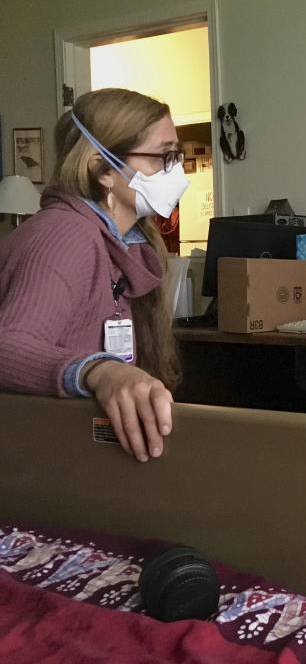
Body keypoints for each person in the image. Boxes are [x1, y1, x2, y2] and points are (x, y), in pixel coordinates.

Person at [0, 88, 189, 463]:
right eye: (163, 157)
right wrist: (100, 371)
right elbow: (7, 345)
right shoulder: (66, 234)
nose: (177, 170)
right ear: (104, 171)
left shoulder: (126, 246)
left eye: (177, 156)